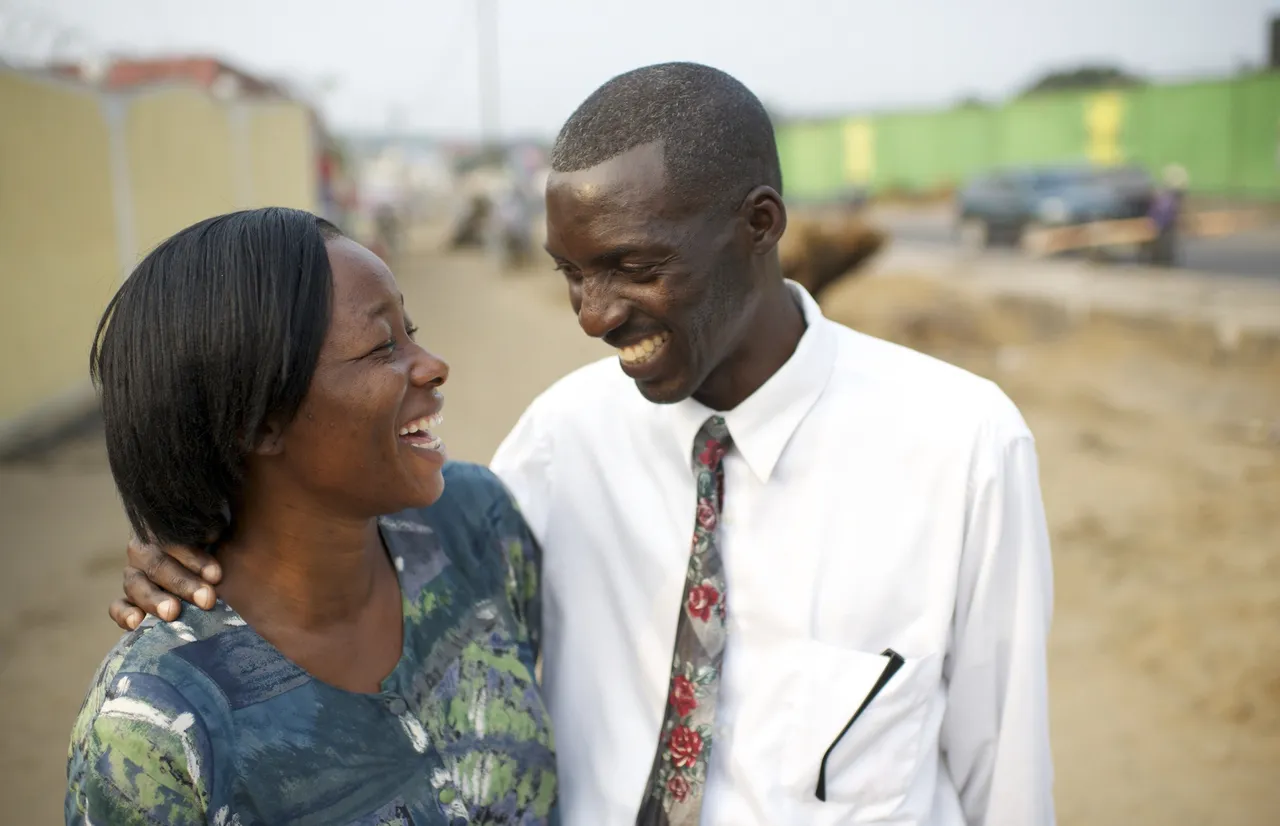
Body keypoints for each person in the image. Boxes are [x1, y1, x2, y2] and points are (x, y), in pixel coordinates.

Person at [110, 63, 1055, 825]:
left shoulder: (960, 446)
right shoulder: (563, 444)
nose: (594, 316)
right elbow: (368, 537)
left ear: (759, 225)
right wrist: (201, 540)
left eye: (633, 269)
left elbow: (1003, 775)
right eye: (571, 275)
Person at [68, 208, 558, 825]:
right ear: (259, 421)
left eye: (411, 331)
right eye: (384, 346)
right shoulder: (153, 734)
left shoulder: (474, 525)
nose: (433, 364)